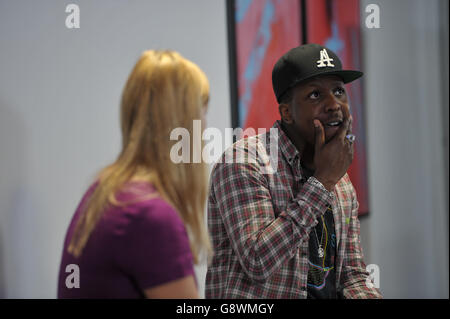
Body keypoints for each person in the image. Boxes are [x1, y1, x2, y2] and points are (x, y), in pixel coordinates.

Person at [205, 43, 382, 299]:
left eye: (338, 91)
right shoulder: (243, 162)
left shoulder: (340, 181)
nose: (334, 105)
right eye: (315, 95)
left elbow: (352, 276)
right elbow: (258, 261)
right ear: (287, 112)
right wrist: (322, 183)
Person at [58, 50, 212, 298]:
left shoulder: (106, 192)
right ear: (183, 122)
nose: (205, 126)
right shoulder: (149, 216)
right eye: (202, 112)